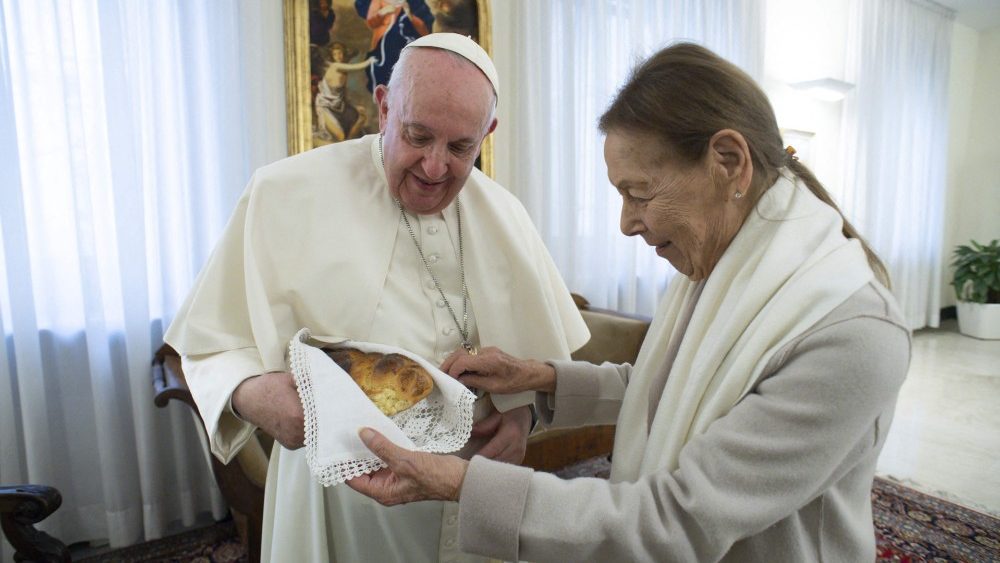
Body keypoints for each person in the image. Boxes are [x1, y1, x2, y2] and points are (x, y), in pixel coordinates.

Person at [347, 42, 912, 562]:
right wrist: (538, 376)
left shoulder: (852, 333)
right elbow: (661, 390)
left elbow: (677, 520)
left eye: (639, 194)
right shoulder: (722, 259)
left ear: (729, 162)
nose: (625, 224)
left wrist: (457, 485)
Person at [164, 33, 589, 562]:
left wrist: (521, 418)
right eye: (417, 136)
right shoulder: (283, 192)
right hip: (341, 499)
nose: (435, 168)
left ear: (488, 133)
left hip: (470, 489)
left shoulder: (506, 214)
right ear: (385, 107)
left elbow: (537, 361)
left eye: (461, 148)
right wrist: (255, 393)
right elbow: (205, 346)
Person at [315, 42, 375, 143]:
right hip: (325, 106)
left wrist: (354, 106)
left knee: (361, 117)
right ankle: (347, 143)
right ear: (332, 56)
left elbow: (343, 94)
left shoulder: (343, 71)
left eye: (340, 53)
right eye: (335, 54)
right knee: (340, 136)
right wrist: (369, 62)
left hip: (339, 106)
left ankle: (349, 142)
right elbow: (356, 67)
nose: (338, 56)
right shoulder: (335, 66)